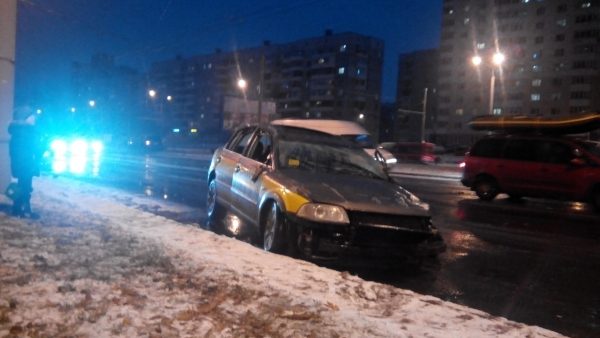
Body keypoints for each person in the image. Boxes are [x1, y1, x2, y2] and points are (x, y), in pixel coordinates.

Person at [8, 108, 42, 218]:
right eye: (31, 116)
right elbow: (30, 148)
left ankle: (20, 208)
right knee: (24, 186)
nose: (34, 119)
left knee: (24, 185)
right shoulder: (24, 132)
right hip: (25, 163)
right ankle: (21, 209)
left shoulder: (21, 131)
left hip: (23, 162)